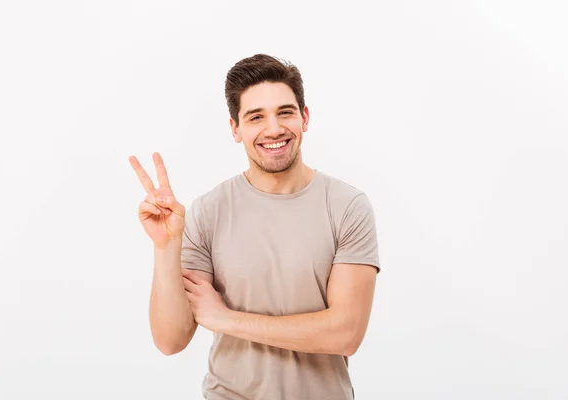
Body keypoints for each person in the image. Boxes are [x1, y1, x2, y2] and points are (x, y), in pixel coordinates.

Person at [129, 54, 381, 400]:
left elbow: (346, 333)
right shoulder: (208, 211)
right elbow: (171, 341)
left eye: (285, 112)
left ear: (304, 117)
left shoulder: (346, 206)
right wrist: (165, 248)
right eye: (256, 117)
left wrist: (227, 319)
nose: (274, 129)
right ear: (236, 128)